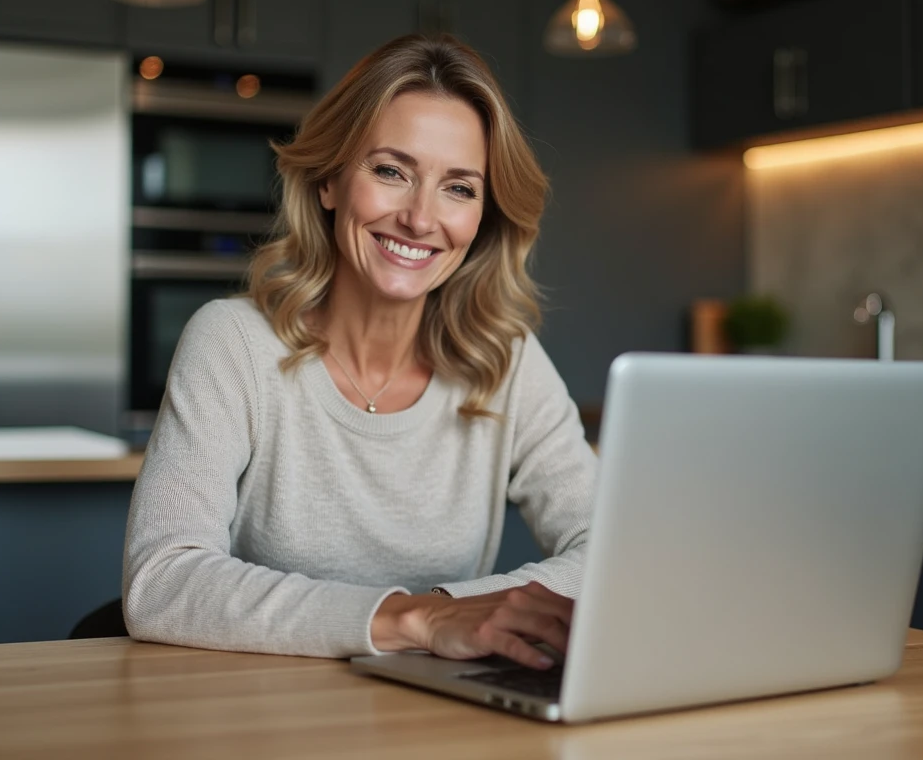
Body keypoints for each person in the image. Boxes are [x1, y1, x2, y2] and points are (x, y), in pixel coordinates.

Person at [123, 34, 597, 671]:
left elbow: (611, 549)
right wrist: (420, 619)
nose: (421, 218)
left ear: (483, 216)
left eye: (459, 188)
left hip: (436, 718)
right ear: (329, 181)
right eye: (390, 172)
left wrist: (452, 612)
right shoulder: (232, 344)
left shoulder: (504, 361)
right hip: (257, 717)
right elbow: (161, 582)